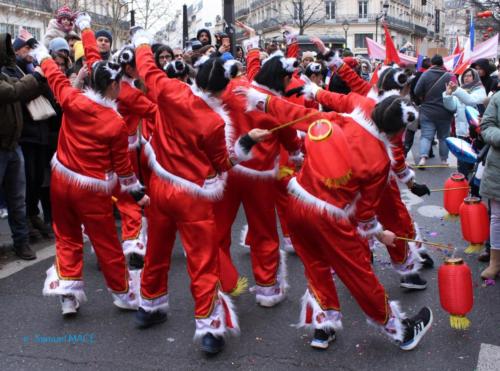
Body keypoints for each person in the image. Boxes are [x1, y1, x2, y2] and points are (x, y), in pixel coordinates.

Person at [241, 86, 433, 351]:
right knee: (358, 274)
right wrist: (380, 233)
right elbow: (365, 214)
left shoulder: (339, 120)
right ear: (398, 132)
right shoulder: (379, 159)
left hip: (296, 204)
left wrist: (261, 100)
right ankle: (400, 331)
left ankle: (324, 326)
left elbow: (296, 113)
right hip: (329, 217)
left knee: (316, 266)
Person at [131, 28, 270, 355]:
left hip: (160, 186)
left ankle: (150, 306)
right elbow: (222, 164)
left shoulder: (168, 89)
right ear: (222, 92)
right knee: (202, 262)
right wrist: (248, 142)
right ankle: (209, 328)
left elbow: (146, 66)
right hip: (192, 197)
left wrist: (141, 40)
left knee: (156, 250)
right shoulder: (213, 123)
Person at [30, 40, 149, 316]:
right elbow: (122, 166)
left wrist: (42, 54)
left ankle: (68, 297)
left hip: (62, 181)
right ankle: (122, 294)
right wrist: (136, 192)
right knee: (105, 241)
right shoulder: (115, 122)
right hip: (93, 189)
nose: (120, 87)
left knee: (67, 237)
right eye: (118, 83)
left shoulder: (73, 100)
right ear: (111, 86)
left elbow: (55, 76)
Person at [4, 29, 56, 240]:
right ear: (17, 50)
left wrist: (39, 78)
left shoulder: (28, 69)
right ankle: (26, 220)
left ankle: (33, 215)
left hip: (39, 132)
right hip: (25, 133)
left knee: (35, 179)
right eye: (26, 48)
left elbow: (48, 93)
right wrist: (37, 78)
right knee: (24, 182)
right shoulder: (13, 71)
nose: (30, 52)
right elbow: (19, 93)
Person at [0, 33, 44, 260]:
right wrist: (35, 75)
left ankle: (21, 242)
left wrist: (36, 77)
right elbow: (12, 91)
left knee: (18, 198)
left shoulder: (9, 72)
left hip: (13, 144)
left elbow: (20, 88)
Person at [442, 68, 487, 177]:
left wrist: (457, 90)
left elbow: (471, 100)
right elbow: (452, 107)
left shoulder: (480, 90)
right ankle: (462, 185)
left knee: (475, 162)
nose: (466, 78)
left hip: (475, 132)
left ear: (475, 77)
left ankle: (471, 186)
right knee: (462, 162)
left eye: (469, 76)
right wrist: (448, 95)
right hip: (461, 131)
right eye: (464, 76)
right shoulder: (460, 90)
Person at [414, 54, 454, 166]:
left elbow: (417, 91)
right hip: (445, 112)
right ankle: (444, 160)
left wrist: (424, 98)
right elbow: (456, 91)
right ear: (442, 64)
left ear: (432, 64)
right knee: (443, 137)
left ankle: (423, 159)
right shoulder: (450, 76)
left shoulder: (425, 74)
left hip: (427, 111)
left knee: (426, 136)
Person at [479, 90, 500, 281]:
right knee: (497, 217)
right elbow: (486, 126)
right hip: (498, 168)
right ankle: (495, 262)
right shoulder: (498, 98)